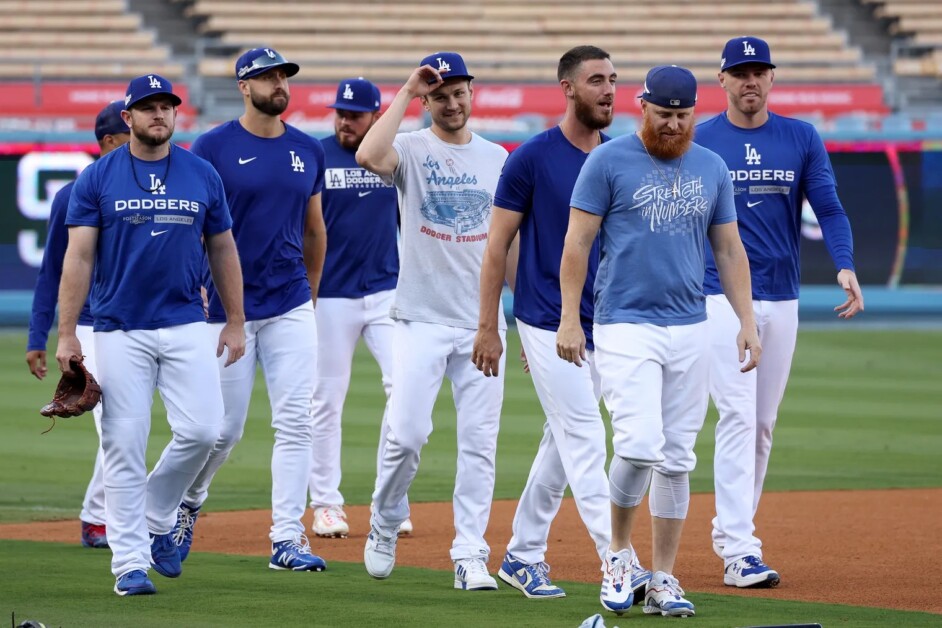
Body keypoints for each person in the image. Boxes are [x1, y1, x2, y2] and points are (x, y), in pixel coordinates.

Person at [556, 65, 760, 617]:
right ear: (642, 107)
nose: (673, 124)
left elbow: (729, 250)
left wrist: (746, 319)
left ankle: (665, 578)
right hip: (624, 323)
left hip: (691, 324)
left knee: (676, 459)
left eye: (683, 114)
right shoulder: (607, 161)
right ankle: (620, 555)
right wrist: (570, 319)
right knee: (641, 443)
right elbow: (577, 243)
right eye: (664, 114)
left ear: (695, 111)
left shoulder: (712, 167)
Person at [472, 45, 651, 601]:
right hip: (547, 317)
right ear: (568, 88)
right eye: (596, 80)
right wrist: (490, 327)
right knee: (583, 436)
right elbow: (497, 245)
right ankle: (619, 561)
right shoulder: (529, 158)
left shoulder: (621, 156)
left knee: (562, 439)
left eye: (614, 80)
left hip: (609, 321)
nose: (608, 90)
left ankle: (523, 554)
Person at [56, 73, 245, 596]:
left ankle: (158, 515)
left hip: (186, 321)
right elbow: (79, 256)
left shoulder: (201, 174)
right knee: (123, 444)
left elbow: (224, 248)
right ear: (128, 116)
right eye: (148, 107)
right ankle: (130, 565)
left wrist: (235, 318)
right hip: (119, 327)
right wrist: (68, 333)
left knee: (206, 431)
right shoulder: (99, 178)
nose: (159, 114)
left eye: (166, 106)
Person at [695, 36, 864, 588]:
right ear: (721, 80)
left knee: (762, 425)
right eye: (740, 72)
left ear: (772, 78)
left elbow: (829, 207)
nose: (750, 80)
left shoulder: (800, 137)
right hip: (716, 295)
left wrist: (844, 263)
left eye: (759, 71)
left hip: (781, 294)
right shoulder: (700, 140)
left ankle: (732, 533)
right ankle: (741, 548)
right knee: (740, 417)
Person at [171, 47, 329, 572]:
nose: (279, 83)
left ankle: (288, 539)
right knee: (222, 429)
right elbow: (191, 223)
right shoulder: (211, 146)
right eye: (267, 76)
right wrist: (195, 286)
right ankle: (187, 503)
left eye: (284, 74)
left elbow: (313, 228)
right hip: (223, 308)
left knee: (296, 423)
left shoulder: (307, 149)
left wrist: (309, 291)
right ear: (243, 86)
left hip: (289, 304)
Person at [356, 51, 508, 589]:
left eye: (459, 91)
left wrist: (518, 321)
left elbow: (505, 244)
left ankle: (470, 553)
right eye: (440, 94)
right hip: (419, 316)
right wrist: (405, 89)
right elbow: (368, 154)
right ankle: (385, 517)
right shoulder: (413, 148)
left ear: (472, 94)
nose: (452, 102)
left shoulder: (497, 158)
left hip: (481, 323)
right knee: (407, 434)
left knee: (479, 442)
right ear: (427, 100)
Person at [307, 77, 414, 539]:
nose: (345, 120)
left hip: (386, 291)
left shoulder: (389, 157)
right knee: (326, 402)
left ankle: (389, 499)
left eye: (355, 114)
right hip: (330, 295)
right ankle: (326, 505)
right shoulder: (316, 155)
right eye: (340, 112)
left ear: (375, 116)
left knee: (405, 391)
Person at [26, 100, 130, 550]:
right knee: (117, 424)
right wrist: (38, 336)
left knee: (131, 424)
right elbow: (53, 269)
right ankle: (100, 519)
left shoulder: (148, 188)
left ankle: (97, 513)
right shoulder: (76, 194)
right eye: (127, 132)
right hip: (89, 323)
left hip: (137, 322)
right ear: (109, 141)